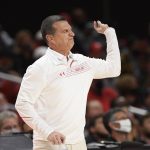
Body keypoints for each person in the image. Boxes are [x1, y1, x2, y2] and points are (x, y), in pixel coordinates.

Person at [15, 15, 121, 150]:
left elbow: (114, 69)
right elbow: (22, 104)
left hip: (78, 143)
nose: (72, 34)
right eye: (65, 31)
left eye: (70, 30)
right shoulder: (39, 68)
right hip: (50, 144)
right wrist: (48, 131)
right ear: (50, 38)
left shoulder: (82, 61)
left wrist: (109, 33)